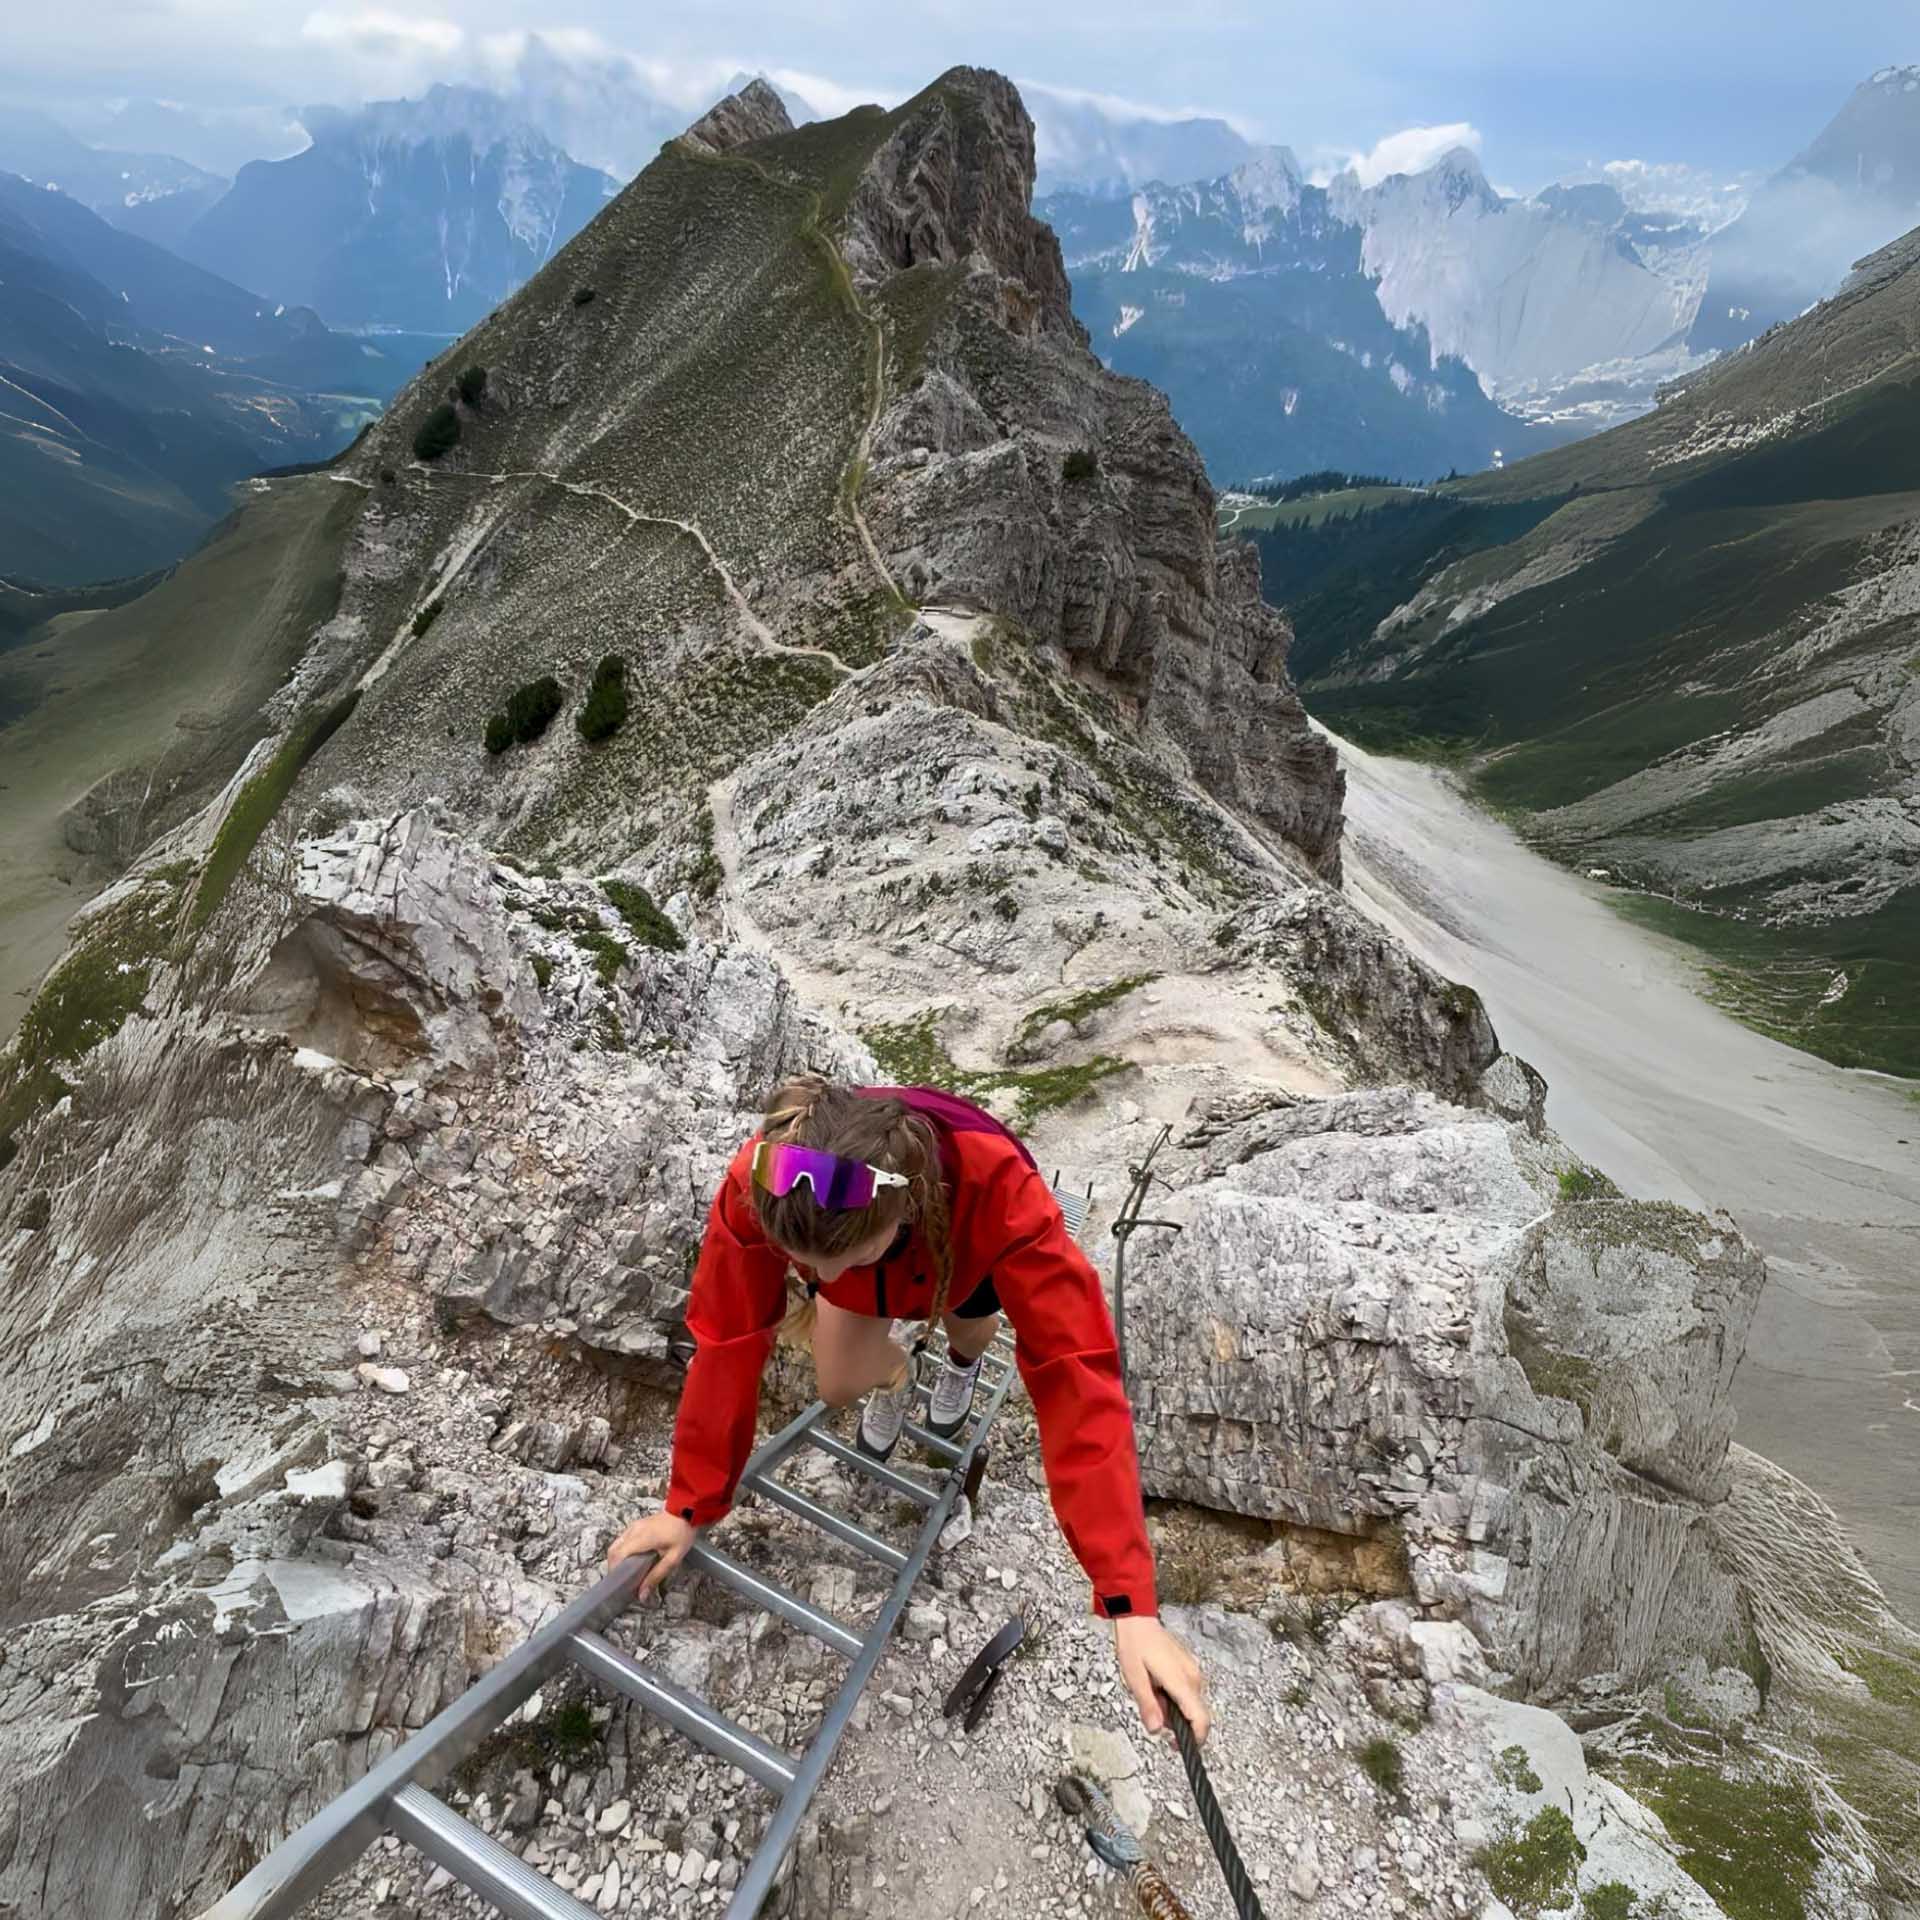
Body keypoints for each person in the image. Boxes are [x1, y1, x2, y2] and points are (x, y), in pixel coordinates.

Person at [607, 1072, 1210, 1742]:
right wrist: (687, 1505)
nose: (824, 1282)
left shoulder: (1001, 1193)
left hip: (967, 1254)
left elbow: (1077, 1377)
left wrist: (1130, 1602)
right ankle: (899, 1371)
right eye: (805, 1265)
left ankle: (957, 1362)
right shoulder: (767, 1181)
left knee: (969, 1327)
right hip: (872, 1249)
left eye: (835, 1263)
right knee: (837, 1383)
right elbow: (727, 1333)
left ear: (899, 1212)